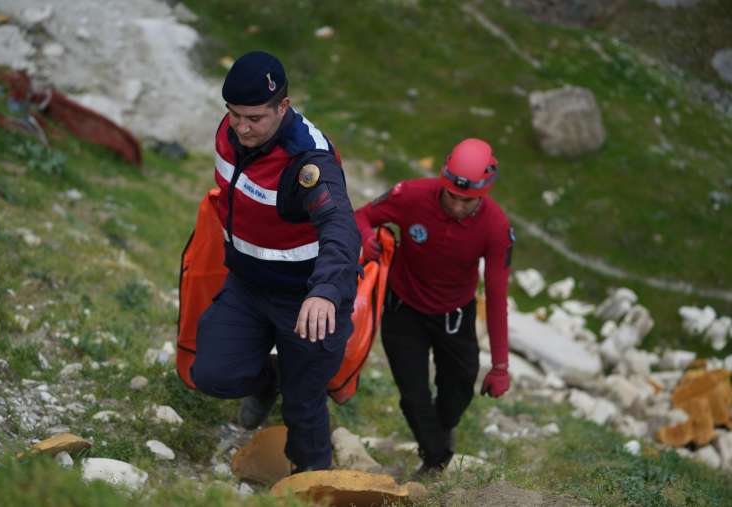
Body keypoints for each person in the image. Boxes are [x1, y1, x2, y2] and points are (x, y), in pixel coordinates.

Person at [190, 51, 361, 473]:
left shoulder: (309, 161)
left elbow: (341, 228)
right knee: (211, 374)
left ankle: (314, 486)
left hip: (307, 300)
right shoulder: (231, 131)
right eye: (234, 115)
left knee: (304, 408)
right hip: (248, 285)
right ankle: (269, 379)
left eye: (254, 118)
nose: (242, 128)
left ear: (282, 107)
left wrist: (324, 293)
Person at [355, 138, 513, 474]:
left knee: (458, 389)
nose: (457, 206)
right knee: (413, 395)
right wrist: (367, 238)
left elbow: (498, 295)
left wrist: (500, 365)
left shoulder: (496, 227)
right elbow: (360, 216)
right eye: (452, 196)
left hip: (455, 316)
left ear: (484, 192)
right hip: (403, 310)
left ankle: (441, 430)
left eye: (467, 200)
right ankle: (436, 459)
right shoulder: (410, 195)